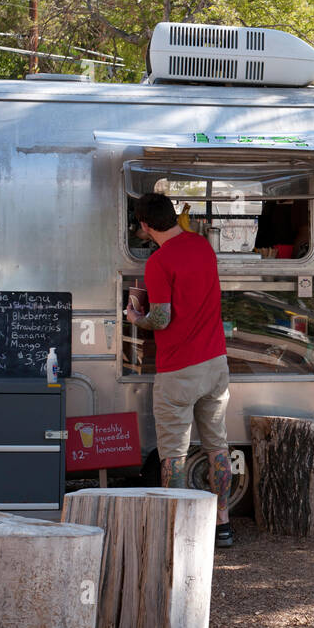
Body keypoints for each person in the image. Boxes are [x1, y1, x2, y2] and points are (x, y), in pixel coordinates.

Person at [125, 193, 235, 548]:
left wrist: (134, 317)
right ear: (173, 216)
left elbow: (161, 317)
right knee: (217, 445)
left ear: (144, 225)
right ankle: (223, 523)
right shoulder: (202, 246)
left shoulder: (158, 263)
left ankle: (181, 528)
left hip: (178, 369)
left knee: (174, 453)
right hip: (215, 362)